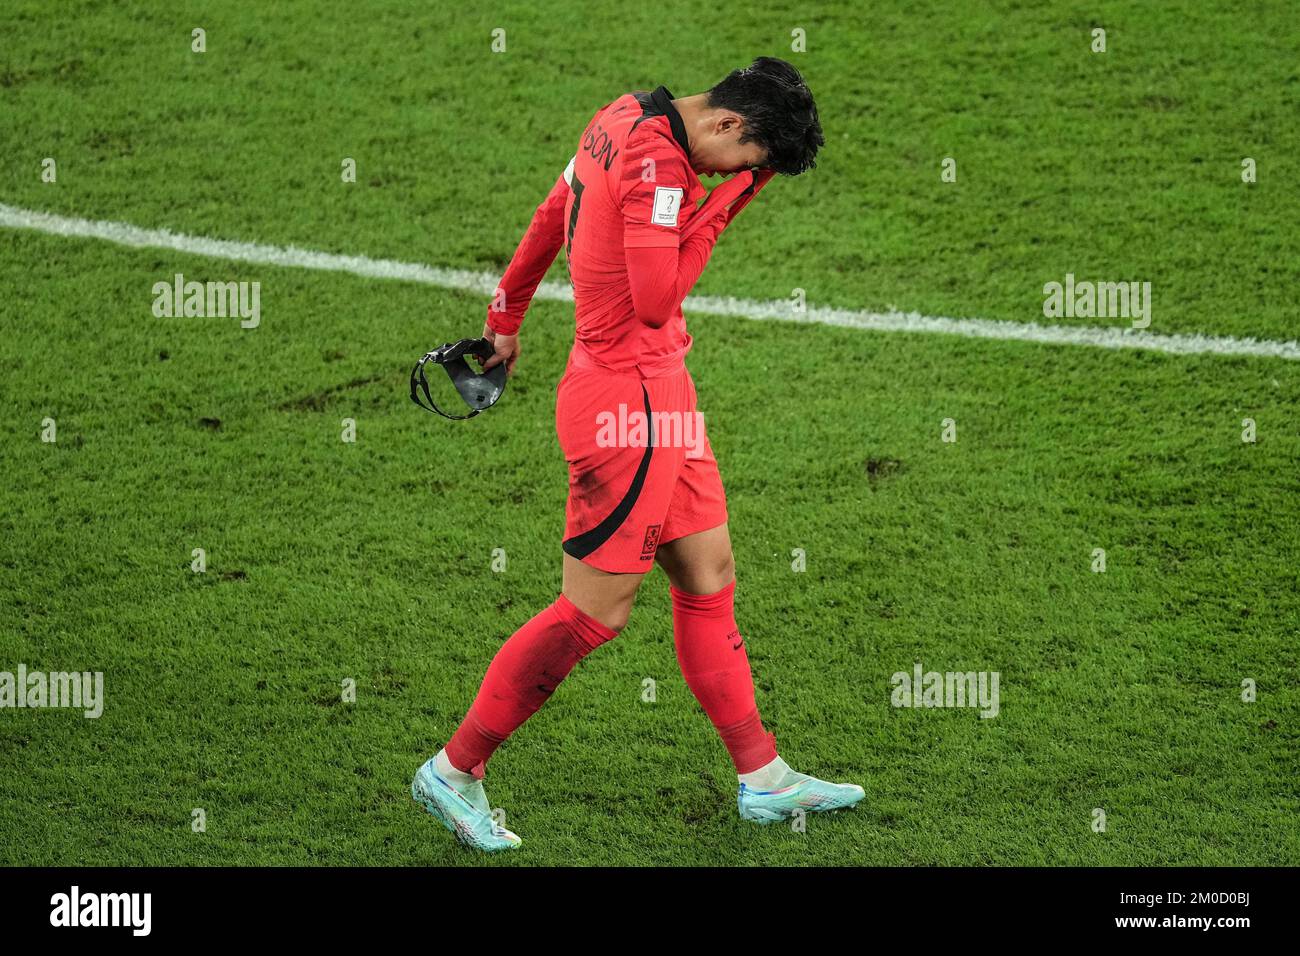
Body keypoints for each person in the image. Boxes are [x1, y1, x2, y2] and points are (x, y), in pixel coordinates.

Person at [412, 57, 863, 851]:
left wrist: (505, 317)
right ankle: (454, 769)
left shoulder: (618, 116)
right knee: (592, 615)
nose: (735, 175)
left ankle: (763, 777)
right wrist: (727, 205)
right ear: (728, 123)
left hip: (664, 397)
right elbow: (656, 302)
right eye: (746, 160)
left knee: (707, 574)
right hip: (628, 411)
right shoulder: (661, 166)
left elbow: (552, 212)